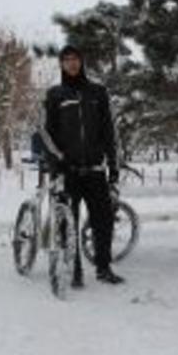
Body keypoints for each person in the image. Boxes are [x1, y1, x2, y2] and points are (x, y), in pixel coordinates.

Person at [40, 45, 124, 287]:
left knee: (104, 221)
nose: (72, 63)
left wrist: (113, 165)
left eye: (75, 58)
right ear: (61, 64)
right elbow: (46, 133)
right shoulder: (55, 94)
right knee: (69, 224)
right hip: (69, 171)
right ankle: (74, 271)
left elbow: (109, 131)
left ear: (82, 61)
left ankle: (104, 267)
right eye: (66, 60)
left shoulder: (98, 92)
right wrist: (57, 161)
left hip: (95, 169)